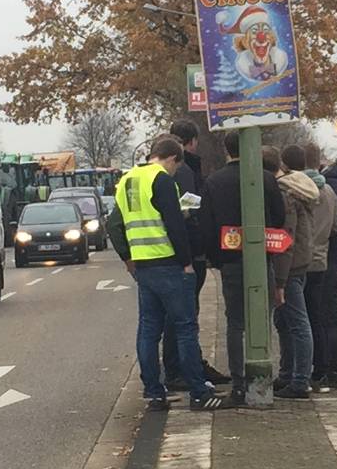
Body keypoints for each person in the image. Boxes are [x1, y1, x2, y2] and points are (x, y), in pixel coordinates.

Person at [116, 137, 223, 411]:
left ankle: (154, 392)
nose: (176, 172)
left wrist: (128, 258)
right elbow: (174, 224)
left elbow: (115, 223)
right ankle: (199, 392)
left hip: (144, 265)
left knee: (148, 329)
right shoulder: (162, 180)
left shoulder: (127, 180)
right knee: (185, 327)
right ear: (172, 158)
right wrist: (186, 261)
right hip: (168, 262)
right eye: (176, 166)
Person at [199, 133, 291, 402]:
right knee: (261, 318)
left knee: (235, 322)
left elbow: (206, 224)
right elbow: (279, 217)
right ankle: (262, 374)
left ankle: (239, 382)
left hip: (230, 261)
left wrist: (216, 258)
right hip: (262, 258)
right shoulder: (265, 179)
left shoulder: (214, 181)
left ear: (226, 150)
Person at [162, 120, 228, 392]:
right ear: (191, 142)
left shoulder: (159, 171)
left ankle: (187, 365)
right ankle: (182, 369)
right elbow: (189, 209)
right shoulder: (185, 170)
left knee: (175, 316)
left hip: (167, 253)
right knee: (183, 316)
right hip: (187, 253)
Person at [275, 143, 337, 399]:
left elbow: (287, 231)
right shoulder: (326, 191)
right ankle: (323, 370)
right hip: (318, 260)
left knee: (295, 322)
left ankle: (296, 376)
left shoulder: (288, 191)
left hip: (294, 262)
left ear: (284, 165)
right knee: (317, 318)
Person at [309, 161, 337, 391]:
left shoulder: (297, 187)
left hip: (307, 260)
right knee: (330, 315)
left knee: (312, 316)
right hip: (329, 257)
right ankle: (335, 371)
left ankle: (319, 368)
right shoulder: (332, 190)